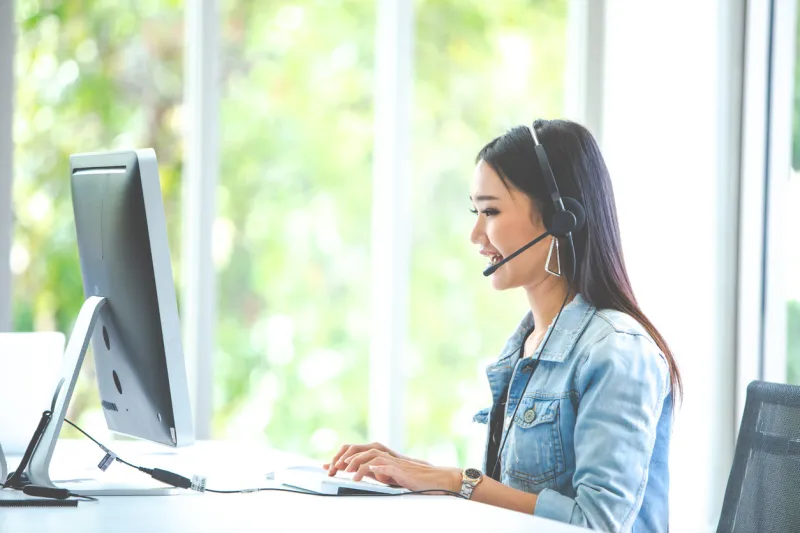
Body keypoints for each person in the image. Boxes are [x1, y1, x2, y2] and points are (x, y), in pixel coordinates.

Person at [323, 119, 681, 532]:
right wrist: (414, 474)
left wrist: (457, 482)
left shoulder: (617, 350)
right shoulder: (526, 345)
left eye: (490, 211)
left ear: (558, 217)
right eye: (475, 212)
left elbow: (595, 523)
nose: (476, 234)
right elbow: (514, 502)